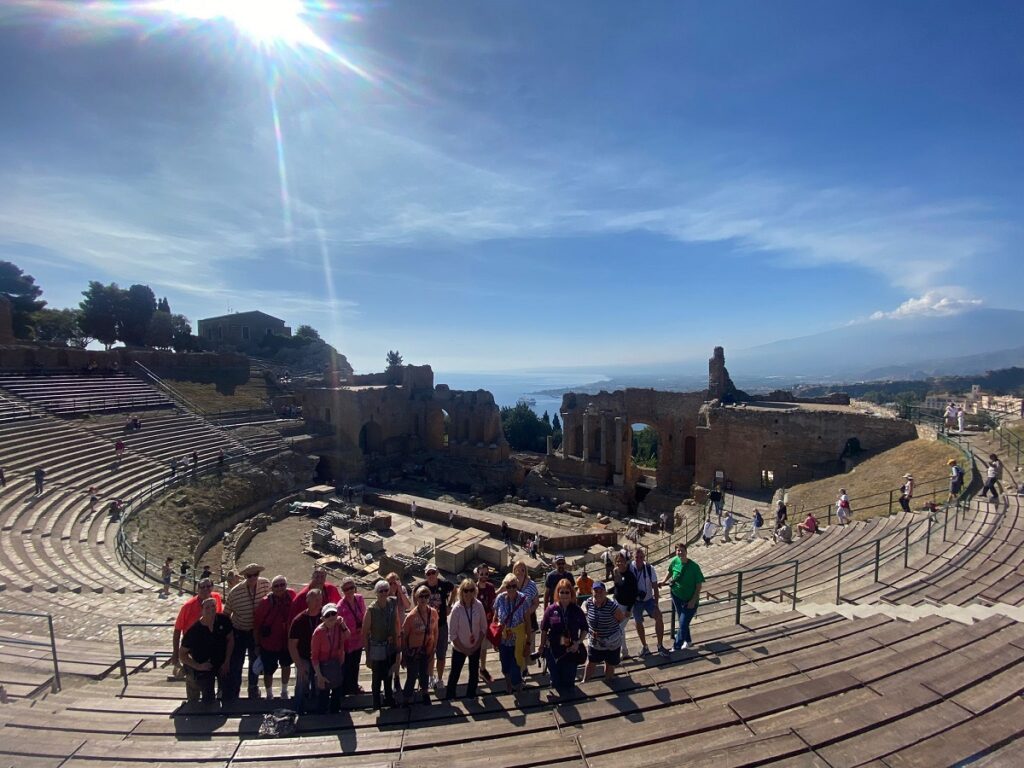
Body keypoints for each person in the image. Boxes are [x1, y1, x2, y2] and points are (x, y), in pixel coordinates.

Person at [224, 562, 270, 700]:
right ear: (245, 576)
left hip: (256, 632)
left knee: (254, 661)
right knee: (236, 662)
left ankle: (253, 689)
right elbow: (226, 614)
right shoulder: (235, 592)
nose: (253, 578)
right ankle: (234, 691)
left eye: (256, 574)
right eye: (250, 575)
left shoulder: (265, 584)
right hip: (239, 631)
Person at [179, 598, 234, 705]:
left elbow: (230, 639)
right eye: (207, 607)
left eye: (213, 606)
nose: (211, 609)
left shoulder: (223, 620)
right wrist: (197, 666)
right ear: (202, 610)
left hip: (222, 663)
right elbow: (182, 654)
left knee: (228, 693)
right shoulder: (194, 631)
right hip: (204, 666)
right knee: (208, 697)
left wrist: (227, 661)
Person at [540, 577, 587, 700]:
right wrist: (541, 647)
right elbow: (544, 629)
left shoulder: (576, 610)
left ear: (571, 593)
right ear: (557, 593)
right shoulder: (551, 610)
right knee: (556, 682)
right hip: (554, 651)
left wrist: (578, 642)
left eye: (567, 592)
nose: (565, 595)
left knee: (569, 683)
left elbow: (585, 628)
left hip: (570, 651)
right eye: (562, 592)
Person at [254, 575, 296, 700]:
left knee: (286, 665)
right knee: (268, 670)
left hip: (286, 642)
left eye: (282, 584)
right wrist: (257, 644)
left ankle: (284, 691)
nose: (280, 588)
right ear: (272, 588)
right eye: (276, 586)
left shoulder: (291, 596)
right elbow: (256, 625)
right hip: (269, 643)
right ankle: (269, 694)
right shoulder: (265, 602)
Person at [171, 578, 223, 678]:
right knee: (193, 681)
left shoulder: (216, 598)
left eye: (208, 586)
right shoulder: (188, 606)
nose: (205, 589)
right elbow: (177, 630)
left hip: (212, 646)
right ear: (197, 589)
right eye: (202, 587)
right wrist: (175, 653)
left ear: (212, 587)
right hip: (192, 649)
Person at [416, 564, 455, 693]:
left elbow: (455, 589)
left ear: (437, 573)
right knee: (428, 654)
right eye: (428, 574)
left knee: (441, 655)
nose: (431, 576)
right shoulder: (421, 587)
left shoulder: (444, 584)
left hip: (442, 625)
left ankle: (439, 678)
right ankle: (430, 677)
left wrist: (450, 605)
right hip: (427, 627)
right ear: (425, 575)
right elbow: (414, 598)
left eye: (433, 573)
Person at [446, 578, 487, 699]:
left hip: (475, 646)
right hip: (460, 647)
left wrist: (476, 645)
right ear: (461, 592)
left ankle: (471, 694)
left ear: (475, 591)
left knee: (474, 672)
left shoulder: (478, 605)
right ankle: (450, 695)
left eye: (471, 590)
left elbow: (483, 628)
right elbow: (452, 634)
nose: (468, 593)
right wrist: (464, 649)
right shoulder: (456, 609)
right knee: (455, 672)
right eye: (465, 590)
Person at [363, 580, 401, 709]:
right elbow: (364, 633)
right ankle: (376, 702)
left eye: (386, 590)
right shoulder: (371, 610)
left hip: (390, 645)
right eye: (381, 591)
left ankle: (388, 698)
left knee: (389, 674)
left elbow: (396, 622)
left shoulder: (392, 602)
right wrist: (367, 655)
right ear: (376, 593)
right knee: (377, 677)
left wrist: (397, 642)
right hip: (377, 647)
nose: (384, 593)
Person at [661, 543, 705, 651]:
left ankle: (677, 647)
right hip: (676, 596)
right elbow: (670, 571)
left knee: (683, 622)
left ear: (686, 551)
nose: (680, 552)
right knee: (682, 621)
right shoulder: (675, 560)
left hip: (690, 600)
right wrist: (663, 581)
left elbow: (699, 586)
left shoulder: (694, 567)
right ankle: (688, 641)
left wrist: (693, 601)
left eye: (681, 550)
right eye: (678, 550)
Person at [493, 574, 531, 694]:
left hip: (517, 640)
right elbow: (495, 618)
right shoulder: (499, 598)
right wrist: (495, 637)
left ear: (517, 586)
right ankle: (509, 686)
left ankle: (518, 686)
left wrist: (529, 642)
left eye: (514, 586)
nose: (511, 589)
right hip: (504, 640)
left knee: (515, 667)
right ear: (505, 586)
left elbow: (528, 622)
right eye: (508, 586)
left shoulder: (523, 599)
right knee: (505, 666)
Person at [581, 582, 626, 682]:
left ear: (605, 592)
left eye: (601, 591)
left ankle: (608, 680)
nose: (598, 593)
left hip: (611, 640)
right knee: (591, 662)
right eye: (596, 591)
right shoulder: (588, 602)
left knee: (610, 663)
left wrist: (609, 627)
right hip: (595, 640)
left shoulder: (612, 606)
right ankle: (585, 681)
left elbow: (621, 618)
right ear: (592, 592)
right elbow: (583, 606)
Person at [310, 602, 350, 713]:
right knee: (323, 695)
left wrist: (343, 625)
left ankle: (335, 714)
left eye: (334, 614)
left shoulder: (338, 626)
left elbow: (348, 636)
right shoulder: (318, 633)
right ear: (322, 618)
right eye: (328, 615)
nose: (331, 617)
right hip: (323, 666)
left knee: (337, 693)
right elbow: (314, 657)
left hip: (336, 663)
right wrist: (319, 675)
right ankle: (322, 719)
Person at [401, 586, 438, 705]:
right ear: (416, 598)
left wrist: (434, 646)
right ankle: (407, 697)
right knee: (412, 675)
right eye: (421, 596)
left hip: (427, 648)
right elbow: (404, 636)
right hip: (414, 650)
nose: (423, 599)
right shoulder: (411, 616)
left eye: (426, 596)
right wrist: (404, 654)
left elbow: (435, 630)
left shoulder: (433, 612)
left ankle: (425, 693)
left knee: (425, 672)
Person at [288, 589, 322, 713]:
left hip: (319, 657)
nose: (319, 602)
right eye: (316, 600)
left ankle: (320, 711)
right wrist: (298, 664)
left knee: (320, 683)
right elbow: (292, 645)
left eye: (320, 599)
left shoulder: (325, 616)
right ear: (308, 601)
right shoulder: (298, 620)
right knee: (302, 682)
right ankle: (299, 709)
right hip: (304, 657)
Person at [630, 548, 668, 656]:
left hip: (649, 599)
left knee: (659, 617)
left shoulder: (649, 568)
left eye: (641, 557)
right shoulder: (630, 568)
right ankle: (645, 647)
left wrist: (656, 604)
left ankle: (660, 646)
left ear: (644, 558)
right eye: (637, 557)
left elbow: (655, 587)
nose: (639, 559)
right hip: (636, 601)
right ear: (633, 557)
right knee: (638, 623)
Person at [337, 576, 366, 696]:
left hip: (358, 640)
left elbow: (364, 615)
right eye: (346, 589)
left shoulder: (359, 599)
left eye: (351, 588)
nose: (349, 591)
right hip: (347, 642)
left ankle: (354, 686)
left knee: (355, 665)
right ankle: (343, 689)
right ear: (342, 591)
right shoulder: (340, 607)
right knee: (346, 667)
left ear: (355, 588)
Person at [609, 551, 637, 660]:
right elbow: (617, 587)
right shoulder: (615, 572)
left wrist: (629, 609)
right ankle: (624, 652)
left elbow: (633, 593)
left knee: (618, 629)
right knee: (621, 629)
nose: (620, 563)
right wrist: (608, 591)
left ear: (626, 562)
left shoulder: (630, 576)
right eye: (618, 561)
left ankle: (613, 652)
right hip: (617, 604)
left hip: (627, 606)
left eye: (622, 561)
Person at [511, 559, 540, 666]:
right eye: (517, 570)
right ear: (513, 571)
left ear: (526, 571)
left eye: (522, 570)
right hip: (515, 621)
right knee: (517, 648)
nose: (519, 572)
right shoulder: (510, 584)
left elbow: (536, 602)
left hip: (529, 619)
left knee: (528, 647)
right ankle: (521, 670)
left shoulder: (531, 584)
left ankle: (526, 669)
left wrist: (527, 613)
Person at [475, 564, 497, 683]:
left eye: (486, 574)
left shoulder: (491, 587)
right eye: (481, 574)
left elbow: (493, 605)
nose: (484, 576)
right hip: (476, 623)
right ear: (477, 574)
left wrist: (495, 619)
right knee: (475, 648)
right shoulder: (474, 588)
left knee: (483, 648)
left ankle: (482, 669)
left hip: (487, 622)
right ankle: (476, 670)